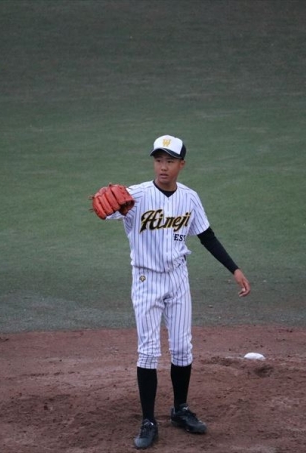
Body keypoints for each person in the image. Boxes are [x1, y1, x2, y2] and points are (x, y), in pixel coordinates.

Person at [98, 135, 251, 449]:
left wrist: (234, 269)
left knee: (182, 348)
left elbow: (207, 236)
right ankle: (148, 421)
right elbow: (108, 210)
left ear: (182, 164)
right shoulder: (135, 196)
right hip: (146, 280)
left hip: (178, 279)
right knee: (149, 351)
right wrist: (111, 207)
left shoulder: (189, 198)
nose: (163, 167)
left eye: (169, 161)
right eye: (158, 160)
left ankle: (180, 409)